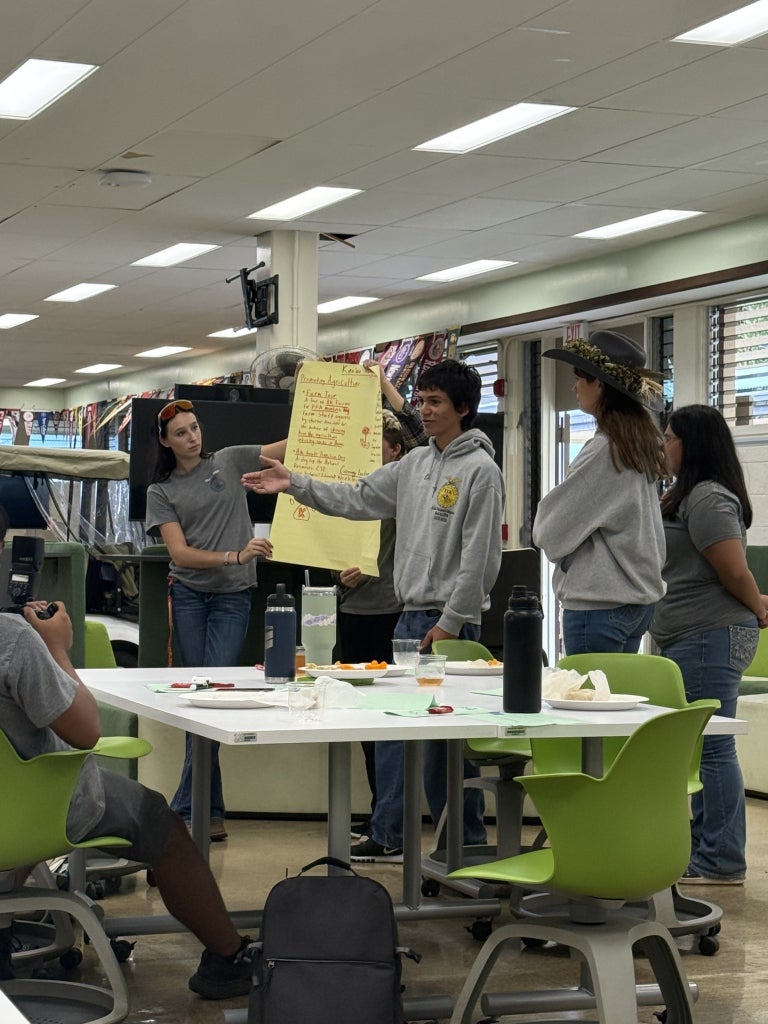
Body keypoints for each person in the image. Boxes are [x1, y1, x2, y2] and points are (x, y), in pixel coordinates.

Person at [243, 359, 504, 862]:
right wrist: (294, 482)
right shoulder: (415, 465)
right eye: (422, 400)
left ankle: (465, 850)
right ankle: (396, 836)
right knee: (395, 738)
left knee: (444, 754)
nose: (424, 411)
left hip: (449, 625)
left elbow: (480, 559)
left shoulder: (480, 472)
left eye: (435, 403)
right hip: (409, 621)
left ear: (463, 409)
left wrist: (451, 622)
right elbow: (357, 497)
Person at [0, 509, 252, 999]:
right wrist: (58, 649)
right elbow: (87, 731)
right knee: (159, 822)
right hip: (34, 808)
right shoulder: (13, 640)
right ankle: (229, 960)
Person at [145, 399, 286, 840]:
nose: (193, 436)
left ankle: (188, 807)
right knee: (196, 699)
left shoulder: (228, 460)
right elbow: (180, 554)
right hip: (188, 594)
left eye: (195, 427)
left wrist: (328, 412)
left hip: (233, 596)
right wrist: (236, 554)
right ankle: (211, 814)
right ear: (166, 442)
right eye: (182, 432)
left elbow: (288, 450)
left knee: (214, 695)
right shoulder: (161, 492)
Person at [650, 404, 768, 885]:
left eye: (670, 437)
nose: (663, 445)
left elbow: (734, 571)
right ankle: (703, 850)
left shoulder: (710, 498)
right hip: (690, 633)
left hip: (710, 633)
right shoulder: (685, 494)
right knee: (700, 748)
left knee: (713, 747)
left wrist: (758, 606)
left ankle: (720, 859)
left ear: (693, 443)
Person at [533, 330, 667, 655]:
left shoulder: (605, 451)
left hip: (599, 604)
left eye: (580, 378)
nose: (574, 387)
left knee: (588, 703)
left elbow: (548, 529)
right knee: (617, 701)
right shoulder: (639, 444)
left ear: (600, 385)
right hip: (635, 601)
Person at [336, 407, 424, 838]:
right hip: (352, 609)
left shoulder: (404, 491)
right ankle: (379, 811)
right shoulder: (360, 492)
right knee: (364, 719)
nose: (370, 456)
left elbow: (402, 554)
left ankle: (388, 820)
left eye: (378, 448)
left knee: (388, 718)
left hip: (389, 610)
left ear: (397, 451)